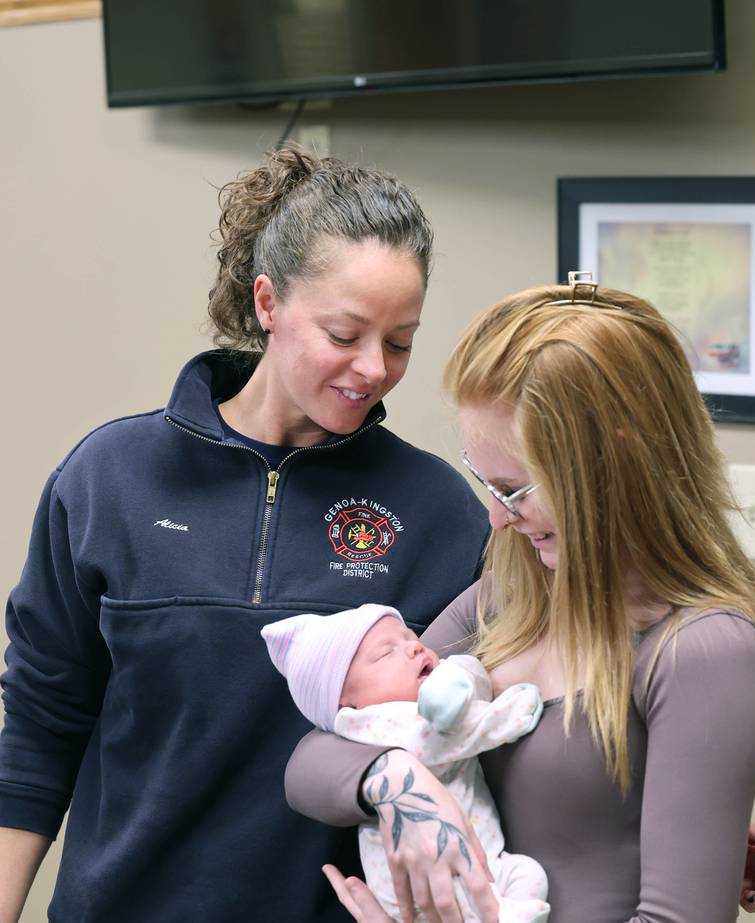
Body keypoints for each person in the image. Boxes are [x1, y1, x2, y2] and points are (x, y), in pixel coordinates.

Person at [0, 146, 491, 922]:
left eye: (400, 341)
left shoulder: (439, 511)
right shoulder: (107, 480)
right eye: (344, 332)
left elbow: (496, 723)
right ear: (268, 302)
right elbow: (40, 724)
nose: (373, 367)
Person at [286, 276, 755, 923]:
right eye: (484, 482)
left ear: (615, 460)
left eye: (515, 489)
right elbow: (316, 754)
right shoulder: (511, 594)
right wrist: (400, 783)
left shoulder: (701, 650)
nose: (497, 520)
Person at [261, 603, 550, 923]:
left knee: (525, 875)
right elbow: (457, 735)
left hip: (476, 867)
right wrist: (512, 712)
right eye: (386, 653)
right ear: (346, 701)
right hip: (434, 884)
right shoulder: (376, 723)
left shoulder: (406, 705)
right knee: (520, 879)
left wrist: (461, 674)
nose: (414, 646)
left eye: (411, 636)